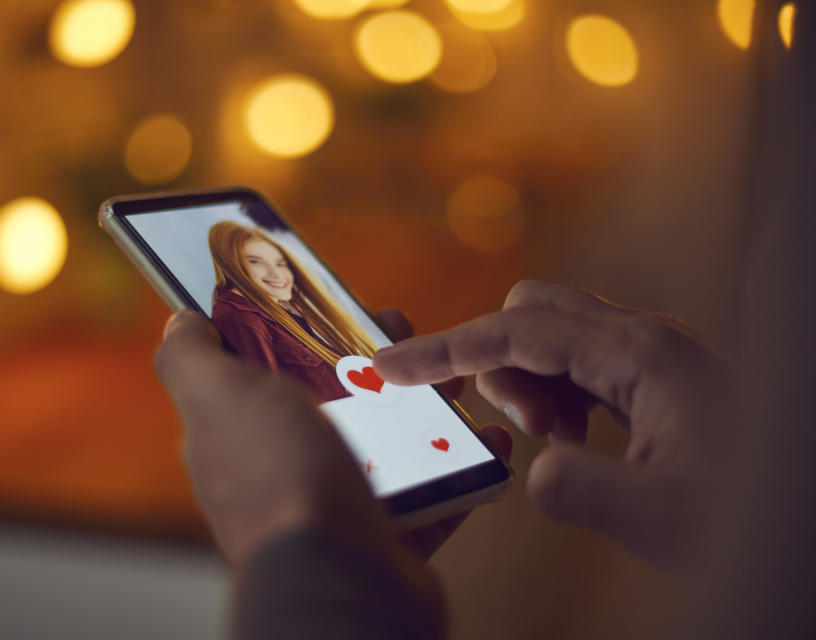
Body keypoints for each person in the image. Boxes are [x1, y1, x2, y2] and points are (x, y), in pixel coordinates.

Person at [154, 3, 814, 638]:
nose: (276, 274)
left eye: (279, 261)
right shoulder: (255, 321)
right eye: (259, 265)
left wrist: (298, 548)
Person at [208, 221, 377, 402]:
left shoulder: (282, 314)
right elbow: (270, 402)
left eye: (281, 264)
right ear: (231, 264)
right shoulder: (238, 318)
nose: (277, 274)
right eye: (255, 261)